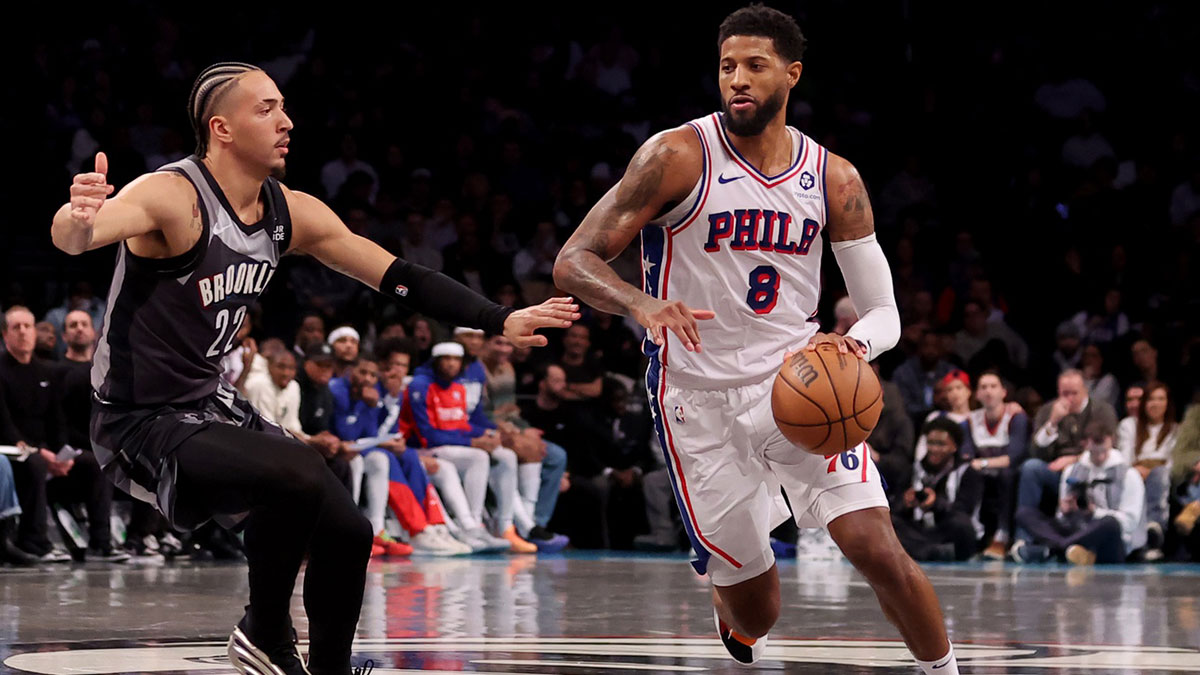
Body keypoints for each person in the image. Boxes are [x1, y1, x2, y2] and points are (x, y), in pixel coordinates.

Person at [50, 61, 576, 675]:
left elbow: (398, 276)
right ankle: (264, 633)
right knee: (297, 471)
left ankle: (326, 668)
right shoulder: (173, 195)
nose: (286, 121)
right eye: (266, 109)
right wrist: (78, 215)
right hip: (139, 418)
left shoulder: (289, 211)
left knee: (349, 531)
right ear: (221, 128)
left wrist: (497, 318)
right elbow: (79, 237)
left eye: (284, 107)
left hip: (211, 406)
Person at [554, 8, 958, 672]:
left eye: (754, 65)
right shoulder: (677, 155)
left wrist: (853, 347)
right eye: (726, 67)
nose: (737, 80)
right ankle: (733, 597)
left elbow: (884, 312)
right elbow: (574, 260)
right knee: (757, 610)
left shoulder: (834, 178)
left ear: (792, 74)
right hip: (696, 399)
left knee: (875, 544)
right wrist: (640, 302)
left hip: (795, 386)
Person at [1013, 420, 1146, 565]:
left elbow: (1129, 523)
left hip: (1108, 539)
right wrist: (1065, 510)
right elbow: (1061, 516)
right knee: (1024, 513)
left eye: (1104, 451)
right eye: (1095, 452)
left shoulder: (1129, 475)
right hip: (1076, 530)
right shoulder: (1072, 471)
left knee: (1110, 523)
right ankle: (1068, 549)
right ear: (1085, 444)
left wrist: (1094, 512)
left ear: (1111, 443)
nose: (1100, 457)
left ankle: (1055, 550)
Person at [890, 418, 982, 562]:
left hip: (946, 529)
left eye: (941, 444)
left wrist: (936, 504)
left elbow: (964, 510)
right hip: (919, 530)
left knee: (961, 525)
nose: (934, 449)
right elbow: (895, 508)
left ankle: (922, 551)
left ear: (954, 446)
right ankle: (931, 551)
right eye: (930, 443)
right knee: (890, 522)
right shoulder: (912, 469)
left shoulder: (967, 472)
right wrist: (905, 503)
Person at [963, 371, 1028, 559]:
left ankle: (1003, 534)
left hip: (1007, 472)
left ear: (1003, 392)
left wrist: (983, 462)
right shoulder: (970, 420)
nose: (988, 391)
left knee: (1007, 474)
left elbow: (1013, 456)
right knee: (968, 474)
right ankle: (974, 534)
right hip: (982, 473)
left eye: (993, 386)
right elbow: (966, 456)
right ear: (976, 394)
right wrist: (980, 464)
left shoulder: (1016, 416)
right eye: (983, 387)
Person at [1115, 381, 1177, 560]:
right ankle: (1137, 539)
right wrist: (1137, 469)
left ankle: (1154, 528)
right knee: (1132, 477)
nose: (1155, 404)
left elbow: (1172, 462)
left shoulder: (1175, 429)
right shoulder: (1129, 425)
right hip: (1134, 472)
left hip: (1162, 475)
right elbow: (1124, 458)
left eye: (1160, 399)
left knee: (1159, 475)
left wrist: (1152, 468)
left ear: (1167, 403)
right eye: (1150, 399)